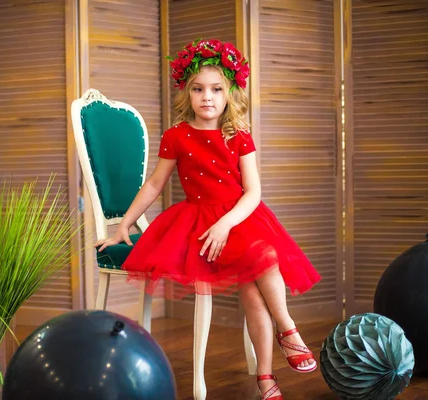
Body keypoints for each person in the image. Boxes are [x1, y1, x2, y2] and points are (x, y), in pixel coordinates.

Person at [95, 39, 322, 399]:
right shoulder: (177, 137)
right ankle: (276, 356)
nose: (207, 97)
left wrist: (226, 224)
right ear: (188, 94)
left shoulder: (239, 137)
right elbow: (154, 184)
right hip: (198, 224)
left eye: (216, 89)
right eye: (198, 89)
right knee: (254, 281)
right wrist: (123, 224)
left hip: (239, 220)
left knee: (262, 262)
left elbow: (253, 193)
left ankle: (279, 345)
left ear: (229, 93)